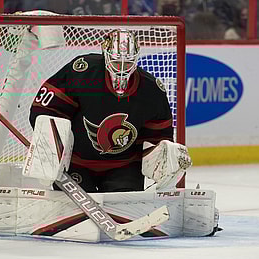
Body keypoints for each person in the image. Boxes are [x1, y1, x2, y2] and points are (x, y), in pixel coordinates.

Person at [29, 29, 191, 193]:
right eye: (116, 62)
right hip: (76, 164)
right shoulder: (83, 72)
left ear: (135, 58)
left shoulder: (151, 90)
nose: (121, 69)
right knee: (71, 215)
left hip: (124, 167)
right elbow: (45, 110)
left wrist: (165, 158)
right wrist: (51, 147)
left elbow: (158, 137)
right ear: (105, 55)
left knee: (125, 212)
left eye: (127, 63)